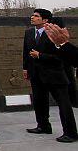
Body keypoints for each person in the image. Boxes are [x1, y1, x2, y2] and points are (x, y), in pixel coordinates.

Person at [22, 9, 78, 142]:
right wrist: (25, 68)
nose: (32, 18)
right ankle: (43, 126)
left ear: (45, 20)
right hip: (36, 73)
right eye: (33, 15)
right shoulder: (29, 33)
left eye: (36, 16)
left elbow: (61, 56)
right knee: (39, 101)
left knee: (63, 104)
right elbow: (26, 52)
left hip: (54, 74)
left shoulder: (54, 34)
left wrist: (40, 56)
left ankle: (70, 132)